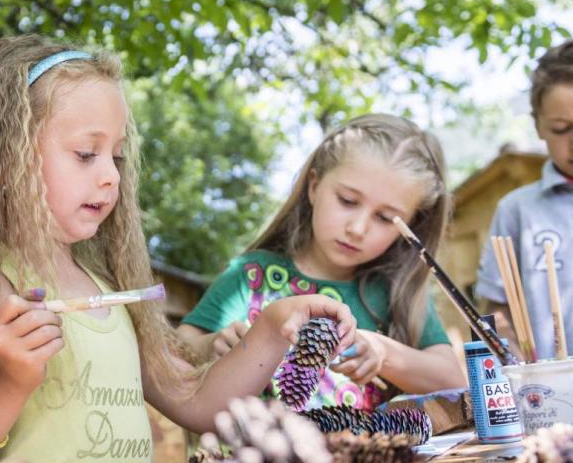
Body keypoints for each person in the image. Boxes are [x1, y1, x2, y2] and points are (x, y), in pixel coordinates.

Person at [0, 36, 355, 463]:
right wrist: (9, 380)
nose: (111, 176)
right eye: (87, 154)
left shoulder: (110, 290)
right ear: (7, 162)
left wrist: (273, 327)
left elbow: (197, 400)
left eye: (117, 156)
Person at [178, 114, 464, 411]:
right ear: (314, 186)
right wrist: (210, 345)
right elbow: (183, 343)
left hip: (361, 456)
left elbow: (452, 381)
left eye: (383, 218)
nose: (357, 228)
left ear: (409, 227)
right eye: (348, 201)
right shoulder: (252, 276)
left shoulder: (396, 292)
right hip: (250, 455)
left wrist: (383, 352)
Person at [476, 40, 573, 359]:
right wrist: (512, 355)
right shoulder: (517, 210)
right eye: (561, 129)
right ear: (538, 125)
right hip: (549, 396)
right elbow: (496, 309)